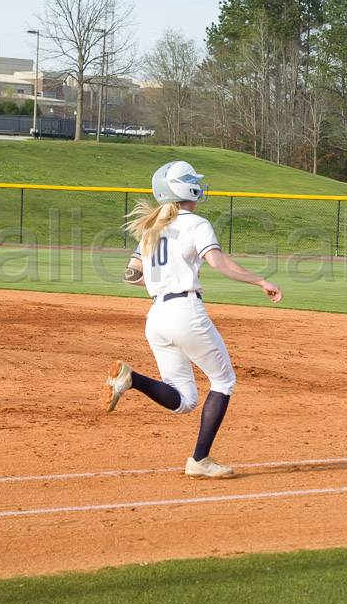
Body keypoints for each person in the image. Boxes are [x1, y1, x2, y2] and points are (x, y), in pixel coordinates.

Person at [101, 160, 283, 479]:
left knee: (184, 400)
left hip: (156, 317)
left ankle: (132, 379)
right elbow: (219, 263)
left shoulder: (150, 227)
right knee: (223, 381)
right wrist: (260, 281)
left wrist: (162, 278)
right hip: (185, 311)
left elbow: (131, 275)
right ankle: (199, 460)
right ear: (186, 188)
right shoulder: (197, 224)